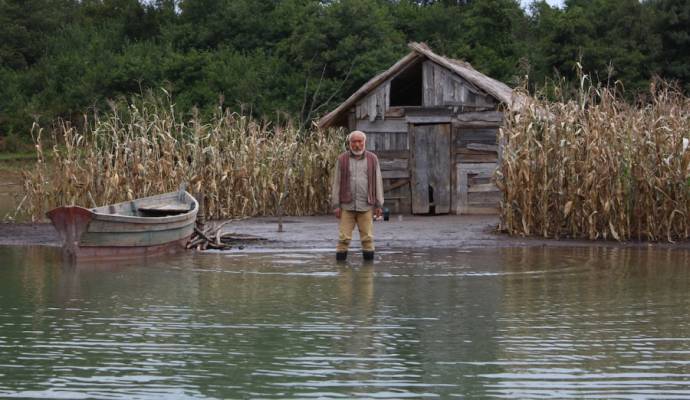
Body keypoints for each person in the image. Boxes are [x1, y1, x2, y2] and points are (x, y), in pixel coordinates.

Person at [331, 130, 384, 261]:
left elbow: (378, 181)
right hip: (346, 206)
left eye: (360, 141)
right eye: (354, 142)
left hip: (366, 205)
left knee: (368, 239)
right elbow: (336, 183)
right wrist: (336, 205)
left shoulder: (372, 159)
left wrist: (379, 204)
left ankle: (367, 276)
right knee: (343, 239)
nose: (357, 145)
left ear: (364, 142)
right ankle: (343, 277)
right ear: (349, 143)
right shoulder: (342, 159)